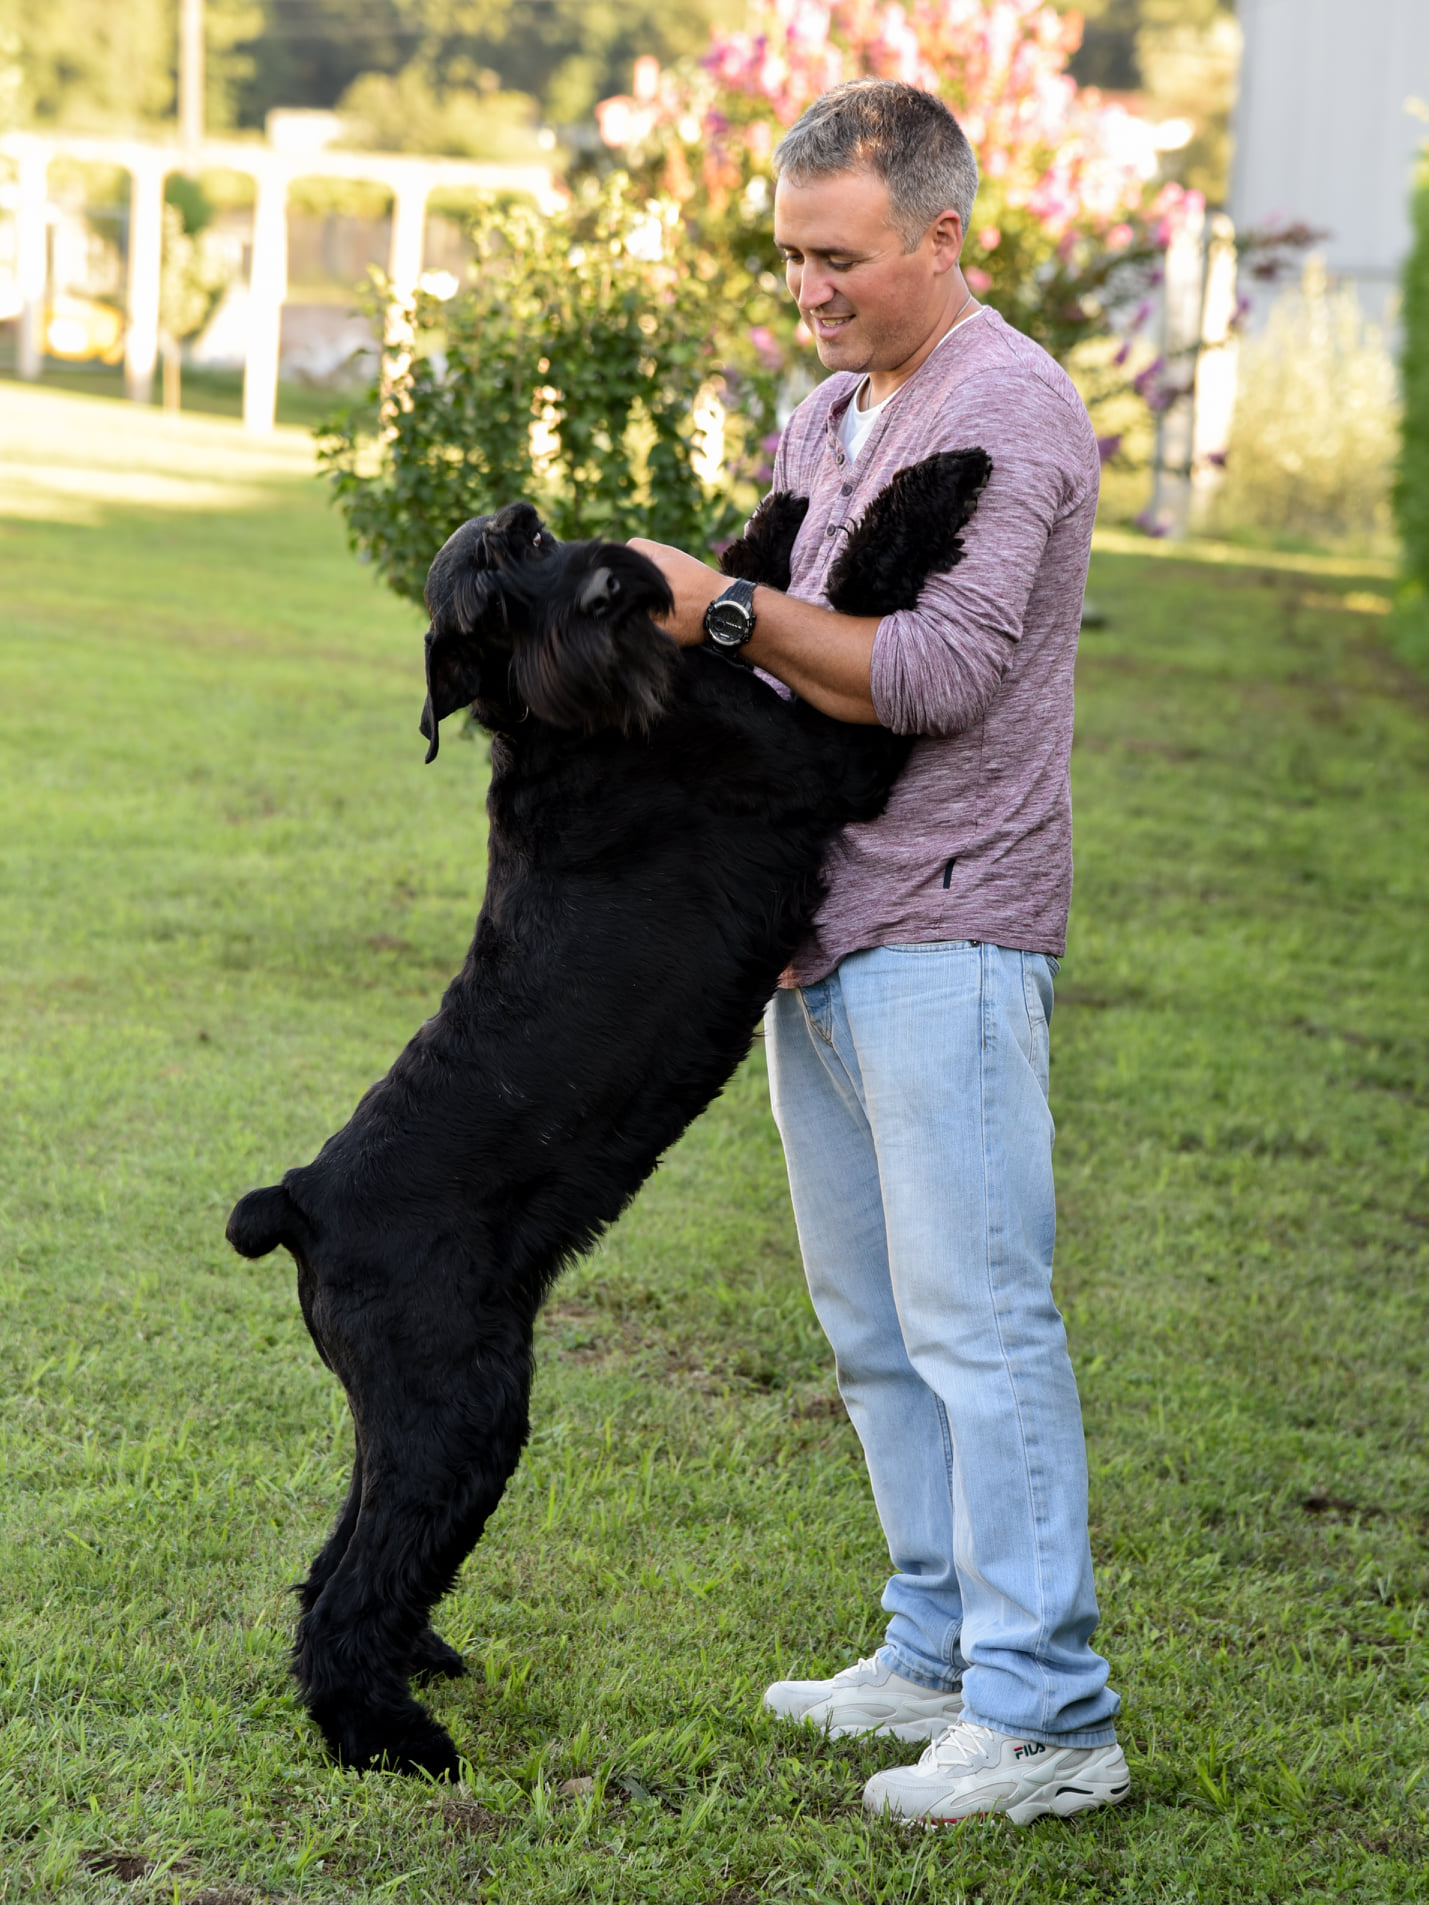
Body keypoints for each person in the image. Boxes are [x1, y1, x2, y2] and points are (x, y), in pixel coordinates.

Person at [629, 78, 1129, 1826]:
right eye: (786, 257)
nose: (808, 290)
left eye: (835, 258)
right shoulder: (826, 409)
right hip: (817, 939)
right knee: (873, 1329)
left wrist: (723, 602)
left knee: (978, 1324)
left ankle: (1050, 1712)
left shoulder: (1014, 409)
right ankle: (932, 1647)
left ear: (940, 232)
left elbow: (927, 675)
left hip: (952, 932)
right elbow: (777, 686)